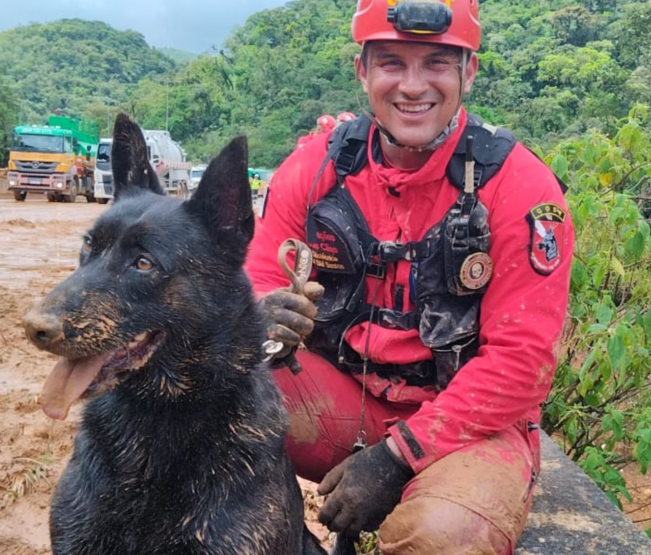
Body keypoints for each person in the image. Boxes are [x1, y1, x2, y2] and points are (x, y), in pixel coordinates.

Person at [246, 0, 575, 553]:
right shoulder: (316, 168)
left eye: (437, 63)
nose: (413, 86)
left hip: (470, 426)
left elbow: (522, 362)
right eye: (392, 62)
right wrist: (263, 312)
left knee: (440, 538)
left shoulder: (518, 185)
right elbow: (256, 276)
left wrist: (398, 456)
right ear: (363, 71)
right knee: (197, 393)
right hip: (343, 398)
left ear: (469, 71)